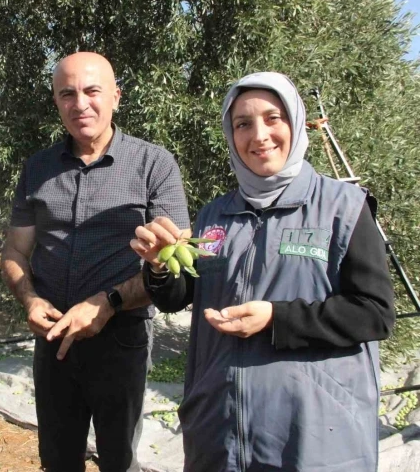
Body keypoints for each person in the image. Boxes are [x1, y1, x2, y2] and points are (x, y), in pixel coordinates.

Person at [131, 72, 395, 472]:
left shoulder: (344, 207)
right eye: (243, 124)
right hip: (219, 435)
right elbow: (181, 296)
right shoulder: (215, 215)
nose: (259, 136)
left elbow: (375, 312)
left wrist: (276, 318)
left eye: (273, 118)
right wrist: (158, 266)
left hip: (312, 440)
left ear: (295, 123)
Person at [1, 52, 190, 472]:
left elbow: (174, 261)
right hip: (53, 339)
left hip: (121, 338)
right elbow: (14, 251)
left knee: (119, 460)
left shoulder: (153, 164)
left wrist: (107, 302)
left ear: (116, 97)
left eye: (92, 91)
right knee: (57, 459)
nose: (80, 104)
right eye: (67, 94)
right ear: (56, 100)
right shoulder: (37, 168)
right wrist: (30, 299)